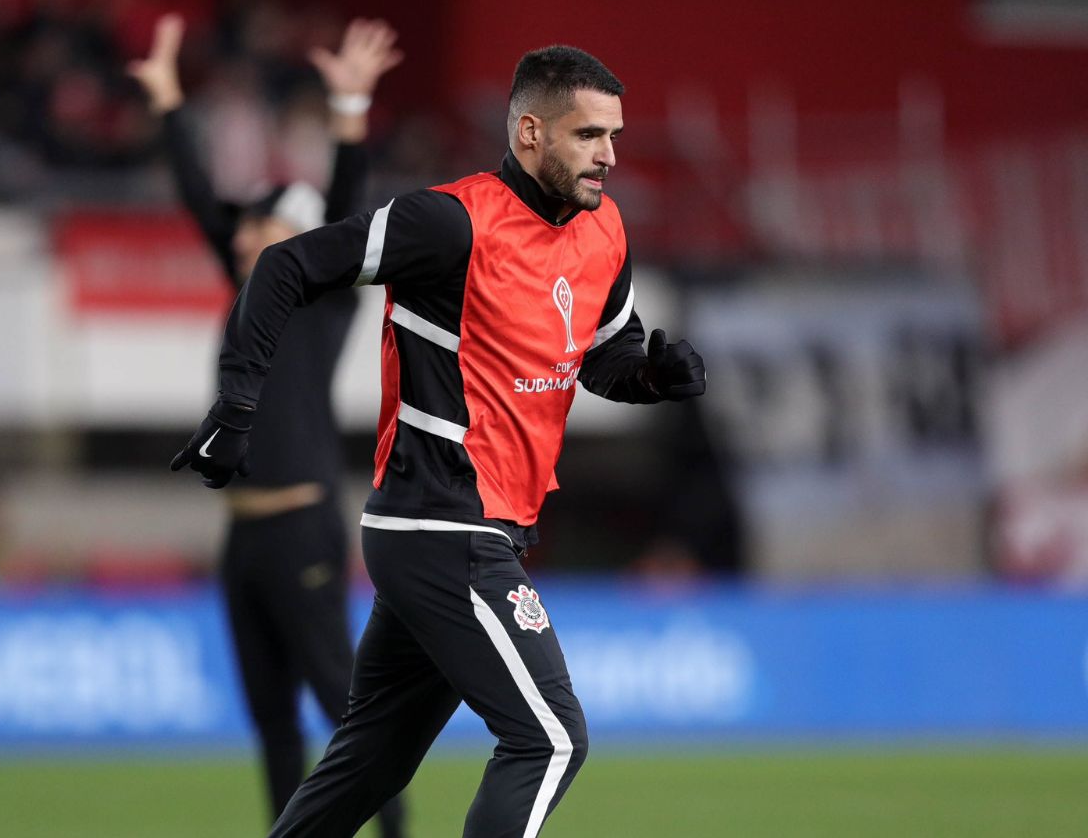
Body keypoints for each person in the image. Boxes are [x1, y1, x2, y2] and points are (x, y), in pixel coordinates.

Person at [172, 45, 707, 837]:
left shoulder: (605, 232)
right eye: (589, 135)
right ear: (530, 131)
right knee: (551, 738)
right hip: (443, 523)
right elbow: (286, 265)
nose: (610, 155)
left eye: (614, 135)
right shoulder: (451, 221)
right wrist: (238, 402)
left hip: (464, 529)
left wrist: (652, 375)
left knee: (370, 763)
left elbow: (602, 356)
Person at [128, 14, 407, 836]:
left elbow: (350, 197)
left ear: (305, 242)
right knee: (273, 722)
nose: (247, 233)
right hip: (243, 536)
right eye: (248, 225)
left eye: (268, 224)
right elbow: (196, 199)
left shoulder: (315, 301)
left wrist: (350, 101)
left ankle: (397, 831)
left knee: (343, 711)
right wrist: (172, 103)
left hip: (300, 526)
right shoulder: (250, 288)